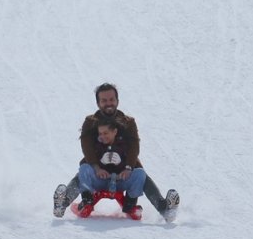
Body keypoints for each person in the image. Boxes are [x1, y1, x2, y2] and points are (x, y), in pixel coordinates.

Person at [53, 83, 180, 222]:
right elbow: (87, 147)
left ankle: (165, 209)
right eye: (104, 100)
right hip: (98, 174)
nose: (109, 103)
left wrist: (128, 167)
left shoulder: (128, 122)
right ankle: (62, 203)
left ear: (117, 101)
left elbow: (134, 147)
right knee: (83, 172)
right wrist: (96, 167)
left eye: (111, 99)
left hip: (123, 175)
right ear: (98, 103)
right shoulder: (90, 122)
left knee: (141, 175)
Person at [75, 115, 147, 218]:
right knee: (84, 169)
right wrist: (98, 169)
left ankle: (130, 205)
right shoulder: (97, 145)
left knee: (140, 173)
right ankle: (87, 202)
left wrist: (127, 169)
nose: (102, 136)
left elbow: (132, 158)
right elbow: (86, 163)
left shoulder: (123, 145)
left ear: (115, 132)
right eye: (100, 134)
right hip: (101, 181)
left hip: (120, 181)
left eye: (105, 133)